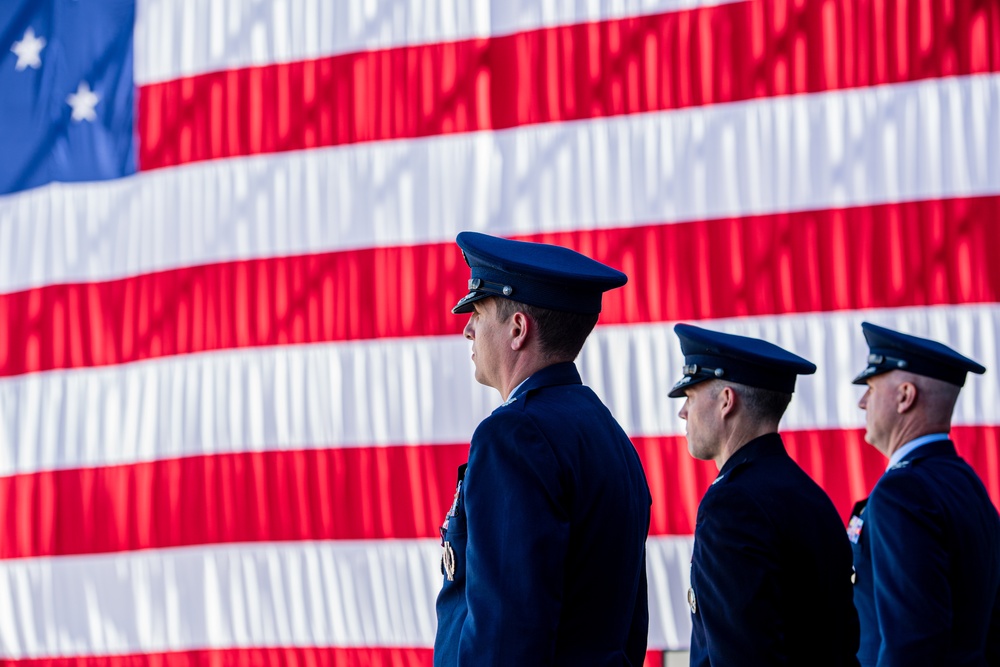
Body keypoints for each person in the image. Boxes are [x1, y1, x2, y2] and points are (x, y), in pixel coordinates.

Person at [434, 231, 652, 667]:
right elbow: (627, 630)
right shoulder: (609, 436)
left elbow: (503, 638)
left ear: (517, 329)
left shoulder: (514, 436)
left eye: (478, 311)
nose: (467, 328)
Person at [668, 323, 859, 666]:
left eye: (691, 395)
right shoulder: (810, 496)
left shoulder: (732, 505)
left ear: (726, 401)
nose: (683, 411)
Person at [849, 322, 1000, 666]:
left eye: (871, 388)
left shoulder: (901, 492)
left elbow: (912, 643)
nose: (862, 402)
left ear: (905, 396)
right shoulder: (967, 484)